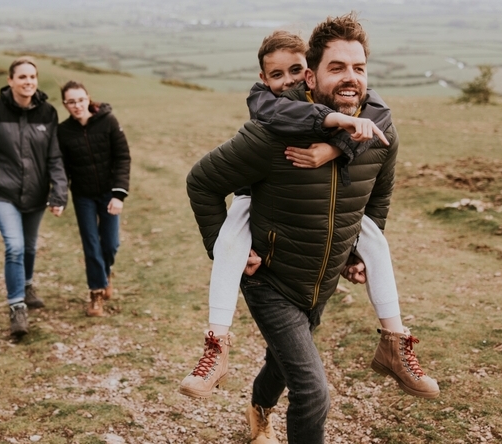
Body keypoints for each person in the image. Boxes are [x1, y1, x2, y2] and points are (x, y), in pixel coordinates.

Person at [186, 13, 435, 443]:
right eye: (336, 68)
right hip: (270, 279)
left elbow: (378, 199)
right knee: (313, 391)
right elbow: (202, 182)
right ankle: (219, 349)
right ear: (312, 75)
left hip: (321, 282)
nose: (350, 77)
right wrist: (221, 247)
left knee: (283, 364)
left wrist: (356, 253)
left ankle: (258, 407)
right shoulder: (270, 133)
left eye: (358, 67)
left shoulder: (380, 129)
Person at [0, 56, 67, 339]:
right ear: (10, 80)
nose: (28, 82)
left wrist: (58, 193)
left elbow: (55, 158)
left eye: (32, 77)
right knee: (14, 246)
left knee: (30, 247)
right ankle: (16, 306)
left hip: (36, 194)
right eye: (22, 77)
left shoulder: (47, 112)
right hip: (3, 192)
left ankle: (26, 284)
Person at [56, 80, 131, 317]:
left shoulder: (108, 121)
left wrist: (118, 194)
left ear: (88, 98)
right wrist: (57, 197)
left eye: (81, 100)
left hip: (109, 192)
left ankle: (105, 272)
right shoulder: (63, 132)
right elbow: (61, 168)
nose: (77, 105)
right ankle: (96, 293)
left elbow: (122, 157)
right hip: (83, 195)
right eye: (71, 102)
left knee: (110, 243)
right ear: (65, 104)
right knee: (91, 243)